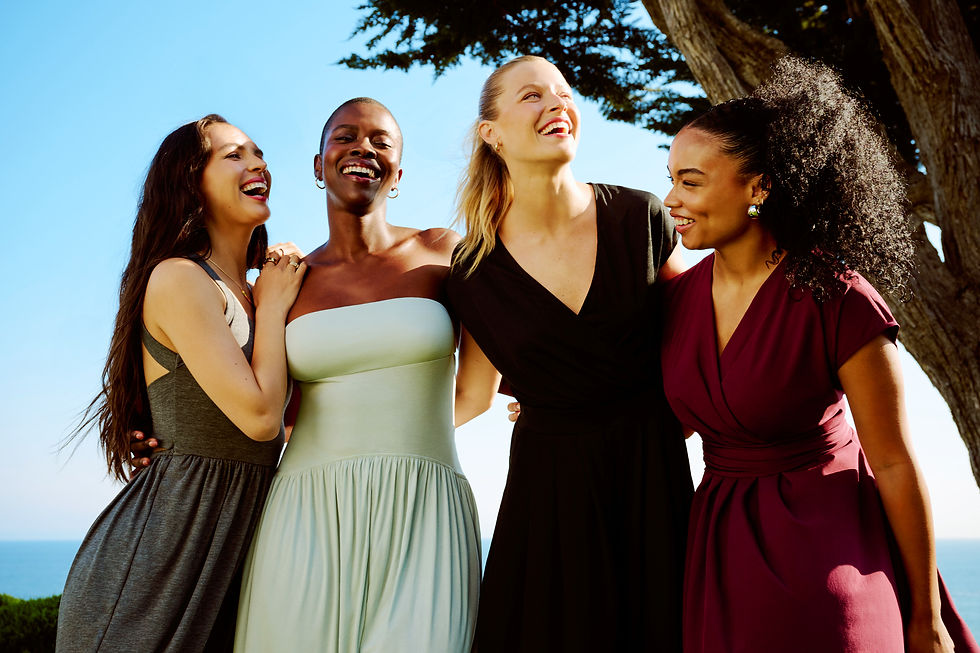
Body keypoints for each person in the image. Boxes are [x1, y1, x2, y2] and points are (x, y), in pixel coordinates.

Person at [659, 57, 979, 653]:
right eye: (672, 177)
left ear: (758, 188)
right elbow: (668, 421)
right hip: (716, 555)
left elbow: (895, 463)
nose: (672, 198)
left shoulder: (838, 297)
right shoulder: (676, 299)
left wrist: (926, 617)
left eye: (692, 181)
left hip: (829, 560)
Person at [445, 55, 694, 651]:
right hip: (548, 500)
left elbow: (699, 349)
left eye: (564, 92)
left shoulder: (641, 217)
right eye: (532, 95)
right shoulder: (472, 270)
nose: (559, 104)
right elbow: (469, 398)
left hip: (653, 485)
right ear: (492, 133)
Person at [232, 98, 483, 652]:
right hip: (305, 513)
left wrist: (399, 449)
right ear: (318, 165)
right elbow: (259, 403)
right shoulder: (281, 281)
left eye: (381, 141)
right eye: (345, 137)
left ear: (399, 172)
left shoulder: (445, 251)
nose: (362, 148)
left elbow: (478, 391)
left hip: (425, 509)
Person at [57, 115, 307, 652]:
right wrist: (277, 306)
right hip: (161, 557)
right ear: (191, 180)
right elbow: (263, 419)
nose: (258, 163)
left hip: (238, 548)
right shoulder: (181, 277)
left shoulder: (261, 288)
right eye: (234, 154)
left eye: (258, 153)